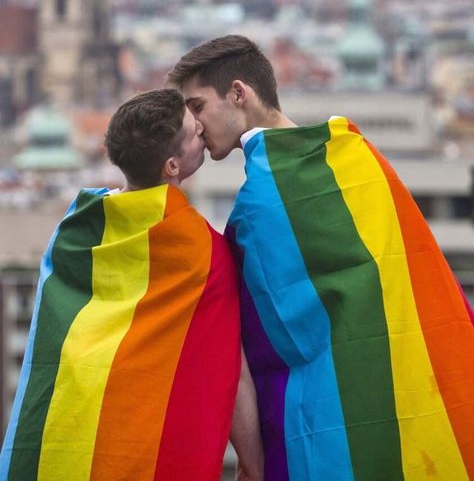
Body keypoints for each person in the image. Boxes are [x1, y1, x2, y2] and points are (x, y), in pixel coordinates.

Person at [168, 35, 474, 481]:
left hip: (321, 424)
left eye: (197, 107)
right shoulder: (357, 157)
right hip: (404, 393)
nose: (194, 125)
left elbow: (248, 333)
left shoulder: (258, 204)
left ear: (239, 93)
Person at [0, 89, 262, 481]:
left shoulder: (76, 229)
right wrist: (255, 465)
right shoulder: (202, 252)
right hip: (140, 448)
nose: (203, 130)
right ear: (172, 166)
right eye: (194, 131)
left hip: (66, 437)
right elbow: (233, 369)